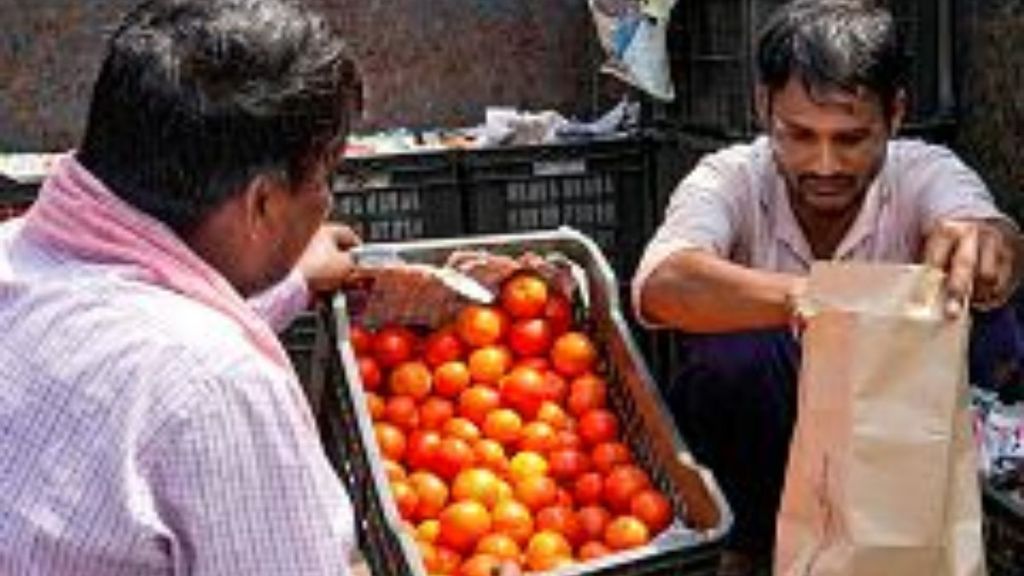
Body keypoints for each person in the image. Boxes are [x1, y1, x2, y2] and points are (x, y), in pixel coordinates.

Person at [631, 1, 1024, 575]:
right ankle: (751, 545)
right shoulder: (730, 177)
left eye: (851, 139)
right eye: (799, 135)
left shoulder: (924, 171)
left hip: (899, 441)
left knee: (993, 328)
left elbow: (989, 235)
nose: (824, 165)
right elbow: (665, 284)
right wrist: (814, 299)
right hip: (774, 439)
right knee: (732, 358)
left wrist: (987, 251)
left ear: (895, 114)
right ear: (764, 107)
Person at [0, 0, 366, 573]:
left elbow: (133, 333)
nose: (328, 201)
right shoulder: (219, 387)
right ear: (262, 203)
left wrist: (291, 281)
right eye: (327, 176)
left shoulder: (16, 256)